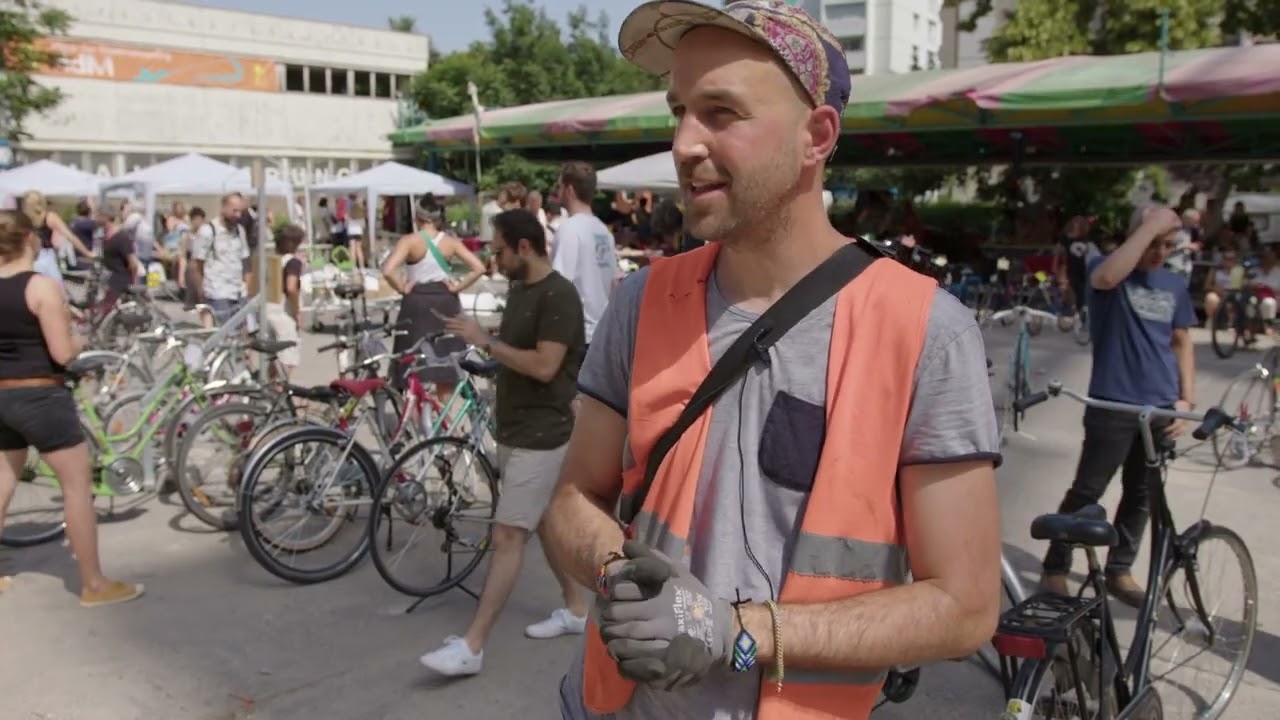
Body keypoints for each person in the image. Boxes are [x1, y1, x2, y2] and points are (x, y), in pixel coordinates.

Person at [542, 3, 1002, 719]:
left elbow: (965, 606)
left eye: (721, 113)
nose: (684, 144)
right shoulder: (642, 302)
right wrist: (619, 575)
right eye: (679, 112)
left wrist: (738, 634)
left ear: (816, 136)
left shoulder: (924, 333)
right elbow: (573, 499)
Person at [417, 208, 587, 677]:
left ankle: (472, 646)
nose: (493, 259)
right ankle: (576, 608)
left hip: (543, 434)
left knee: (509, 535)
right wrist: (481, 339)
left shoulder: (558, 295)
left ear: (524, 247)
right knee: (546, 523)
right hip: (515, 429)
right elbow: (519, 353)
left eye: (498, 250)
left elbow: (545, 366)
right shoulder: (521, 289)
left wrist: (485, 341)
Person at [1040, 207, 1195, 607]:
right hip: (1113, 404)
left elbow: (1181, 341)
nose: (1160, 252)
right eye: (1153, 242)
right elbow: (1106, 278)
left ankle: (1119, 570)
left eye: (1167, 245)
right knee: (1087, 491)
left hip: (1159, 407)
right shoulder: (1108, 271)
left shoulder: (1173, 283)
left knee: (1141, 494)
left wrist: (1185, 399)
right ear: (1136, 236)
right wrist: (1151, 224)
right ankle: (1056, 567)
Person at [0, 210, 143, 606]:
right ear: (29, 238)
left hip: (2, 395)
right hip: (40, 397)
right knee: (77, 487)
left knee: (3, 481)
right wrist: (80, 339)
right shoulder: (40, 287)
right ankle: (93, 584)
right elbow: (62, 353)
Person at [382, 194, 487, 404]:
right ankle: (442, 415)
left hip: (417, 302)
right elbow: (479, 268)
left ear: (417, 217)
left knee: (413, 361)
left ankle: (416, 413)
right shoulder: (450, 242)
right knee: (445, 363)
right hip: (445, 302)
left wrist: (401, 287)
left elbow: (387, 270)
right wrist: (458, 286)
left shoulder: (409, 241)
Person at [550, 161, 619, 346]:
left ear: (569, 190)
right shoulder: (603, 231)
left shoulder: (569, 229)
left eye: (559, 186)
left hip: (579, 335)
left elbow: (559, 285)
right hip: (603, 332)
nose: (557, 191)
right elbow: (613, 285)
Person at [191, 193, 252, 326]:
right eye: (234, 211)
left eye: (240, 211)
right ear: (224, 208)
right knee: (224, 333)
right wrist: (201, 291)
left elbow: (245, 260)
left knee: (243, 332)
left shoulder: (240, 231)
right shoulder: (208, 231)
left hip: (239, 292)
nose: (238, 215)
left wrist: (247, 286)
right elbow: (197, 264)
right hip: (218, 292)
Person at [19, 190, 93, 283]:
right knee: (57, 288)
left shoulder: (22, 219)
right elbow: (70, 236)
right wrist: (87, 253)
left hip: (28, 259)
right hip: (47, 258)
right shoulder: (49, 217)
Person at [264, 224, 307, 377]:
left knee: (273, 358)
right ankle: (281, 389)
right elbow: (291, 287)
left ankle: (270, 387)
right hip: (284, 312)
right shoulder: (293, 262)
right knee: (287, 359)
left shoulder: (273, 260)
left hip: (268, 309)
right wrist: (297, 311)